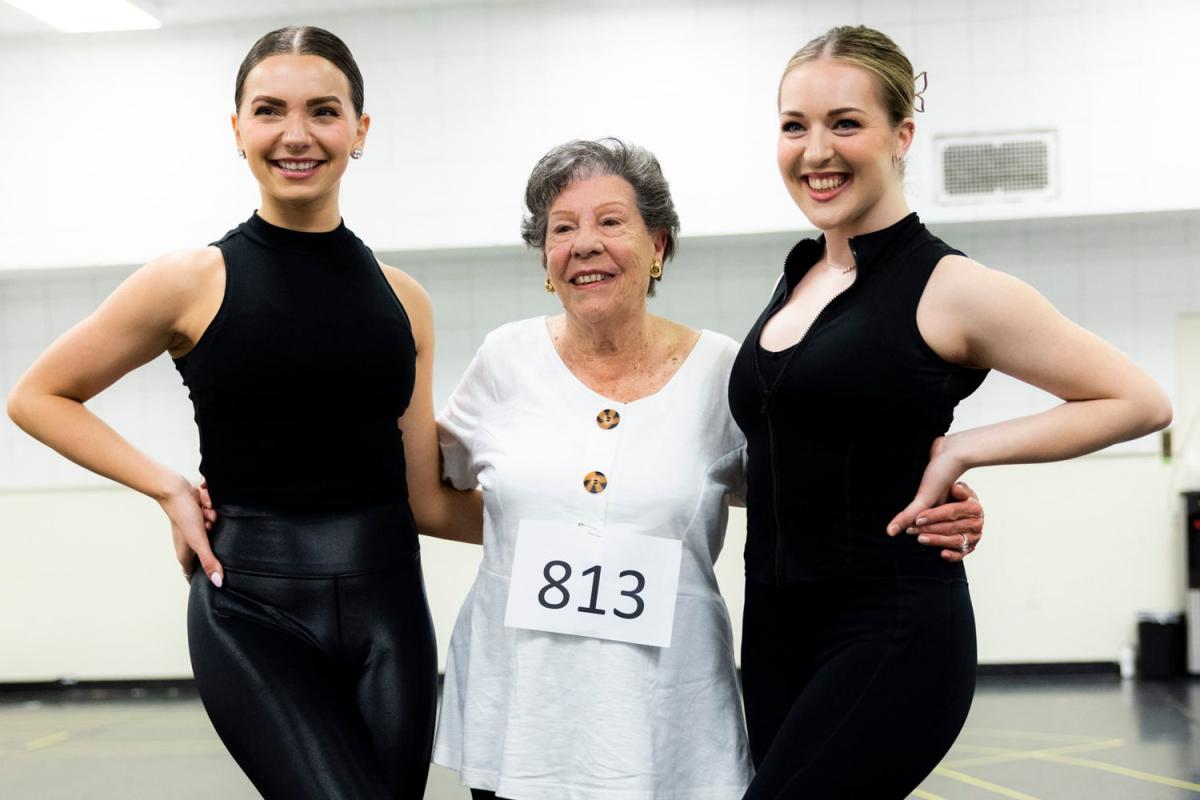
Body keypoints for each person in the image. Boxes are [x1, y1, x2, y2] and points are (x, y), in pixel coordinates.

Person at [430, 138, 985, 800]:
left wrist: (936, 495)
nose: (584, 244)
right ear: (545, 258)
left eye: (611, 221)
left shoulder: (720, 371)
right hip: (525, 708)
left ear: (658, 245)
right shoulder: (503, 360)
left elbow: (814, 486)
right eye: (561, 229)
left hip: (669, 712)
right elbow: (436, 491)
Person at [6, 26, 479, 800]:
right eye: (270, 111)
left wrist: (580, 517)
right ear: (238, 131)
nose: (297, 134)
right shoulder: (189, 282)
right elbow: (37, 396)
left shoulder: (405, 301)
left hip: (390, 604)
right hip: (253, 606)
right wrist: (164, 485)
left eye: (323, 111)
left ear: (360, 132)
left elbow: (425, 497)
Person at [728, 25, 1173, 799]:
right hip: (773, 628)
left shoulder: (950, 285)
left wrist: (962, 451)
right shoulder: (801, 277)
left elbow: (1138, 399)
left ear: (901, 135)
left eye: (845, 123)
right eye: (794, 125)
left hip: (889, 629)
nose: (815, 150)